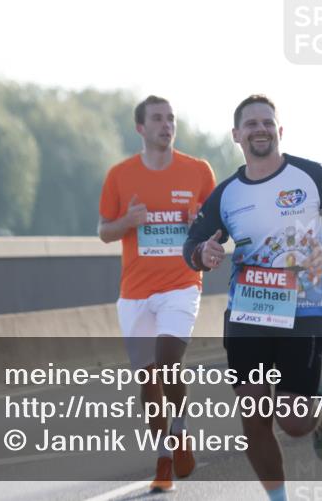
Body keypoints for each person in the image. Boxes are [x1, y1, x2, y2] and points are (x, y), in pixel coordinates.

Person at [183, 95, 322, 501]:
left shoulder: (311, 175)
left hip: (303, 309)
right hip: (248, 310)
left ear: (279, 130)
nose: (259, 130)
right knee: (254, 416)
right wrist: (203, 253)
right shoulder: (226, 194)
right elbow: (192, 243)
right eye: (251, 124)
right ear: (236, 135)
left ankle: (319, 401)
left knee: (294, 423)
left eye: (267, 123)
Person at [97, 95, 216, 492]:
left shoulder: (198, 171)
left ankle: (179, 433)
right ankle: (164, 458)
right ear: (140, 128)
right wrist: (127, 221)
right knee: (148, 379)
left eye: (171, 118)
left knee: (168, 361)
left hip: (181, 284)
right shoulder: (120, 175)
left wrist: (199, 222)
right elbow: (103, 231)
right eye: (158, 119)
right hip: (134, 292)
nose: (167, 125)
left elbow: (217, 228)